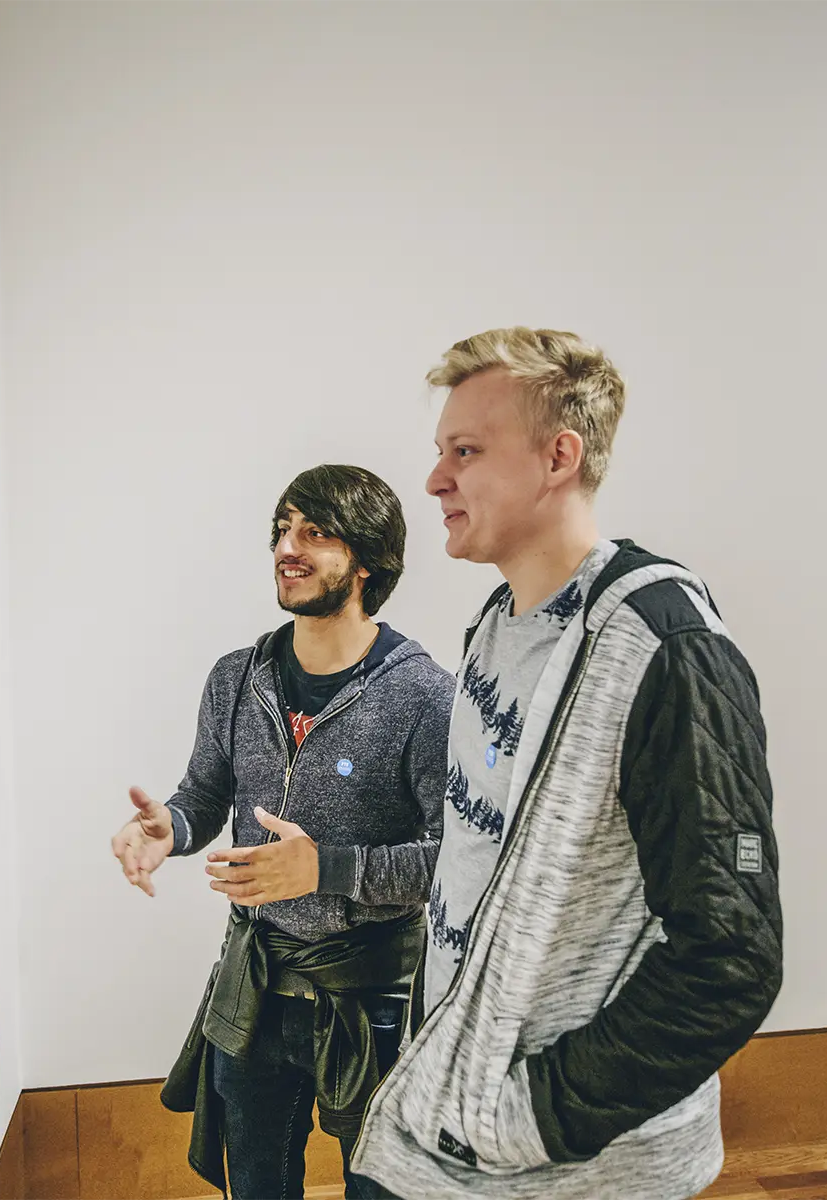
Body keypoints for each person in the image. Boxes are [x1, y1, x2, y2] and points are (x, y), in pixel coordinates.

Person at [350, 329, 783, 1199]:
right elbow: (482, 867)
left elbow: (730, 959)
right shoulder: (494, 625)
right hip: (439, 1113)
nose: (435, 480)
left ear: (559, 456)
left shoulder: (669, 652)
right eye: (440, 453)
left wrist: (526, 1118)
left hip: (557, 1159)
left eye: (464, 452)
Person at [111, 465, 456, 1200]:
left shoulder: (425, 695)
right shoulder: (238, 677)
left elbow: (455, 860)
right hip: (255, 988)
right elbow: (205, 793)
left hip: (374, 1000)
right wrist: (168, 829)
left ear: (367, 562)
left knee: (384, 1190)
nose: (286, 548)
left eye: (315, 532)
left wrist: (325, 869)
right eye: (282, 529)